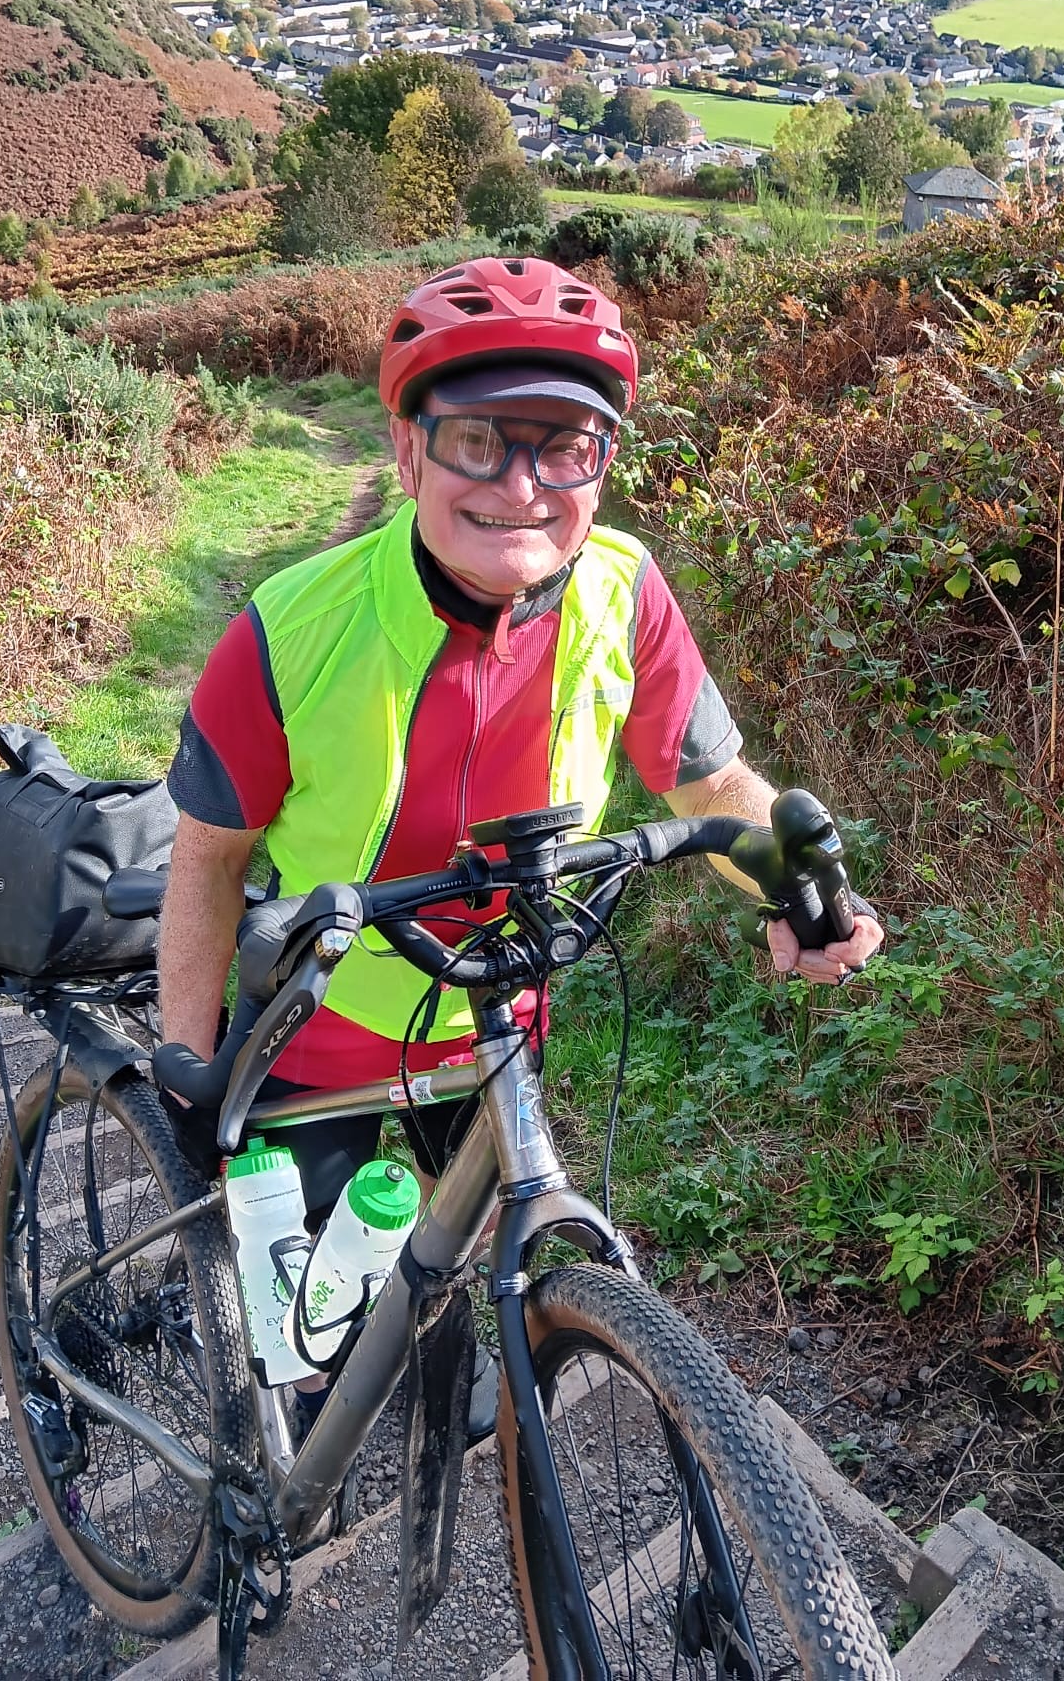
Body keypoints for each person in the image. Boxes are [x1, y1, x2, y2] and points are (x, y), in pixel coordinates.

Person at [157, 255, 883, 1417]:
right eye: (478, 440)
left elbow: (708, 784)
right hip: (318, 1026)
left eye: (564, 445)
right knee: (304, 1350)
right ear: (407, 452)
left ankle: (448, 1430)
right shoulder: (290, 632)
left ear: (603, 462)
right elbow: (210, 859)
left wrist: (790, 887)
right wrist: (189, 1072)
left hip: (495, 1020)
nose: (523, 485)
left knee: (466, 1299)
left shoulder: (623, 591)